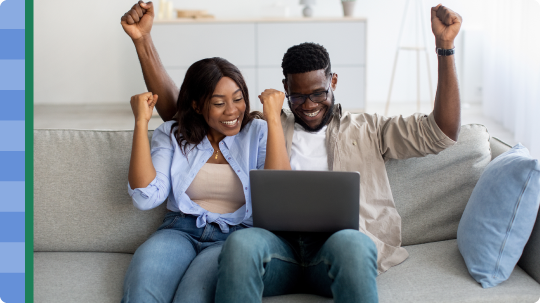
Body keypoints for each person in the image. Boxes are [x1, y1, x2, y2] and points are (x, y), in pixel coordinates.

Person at [122, 2, 462, 302]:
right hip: (277, 249)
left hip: (335, 249)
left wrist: (444, 48)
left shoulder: (369, 128)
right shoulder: (266, 126)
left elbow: (442, 133)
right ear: (285, 91)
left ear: (334, 83)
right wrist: (143, 43)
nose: (310, 104)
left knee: (356, 244)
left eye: (319, 92)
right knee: (241, 245)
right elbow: (185, 113)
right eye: (299, 97)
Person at [121, 50, 290, 303]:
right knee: (141, 296)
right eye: (219, 103)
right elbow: (145, 197)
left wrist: (273, 119)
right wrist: (140, 123)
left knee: (190, 298)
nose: (232, 111)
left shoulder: (259, 132)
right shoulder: (171, 134)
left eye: (238, 99)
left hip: (233, 239)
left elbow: (278, 196)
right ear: (197, 105)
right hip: (178, 230)